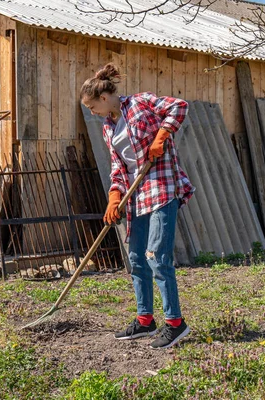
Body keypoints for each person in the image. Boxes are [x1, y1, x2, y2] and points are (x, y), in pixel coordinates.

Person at [80, 63, 195, 349]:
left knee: (157, 256)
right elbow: (119, 169)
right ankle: (145, 321)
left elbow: (179, 106)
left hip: (162, 186)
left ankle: (175, 324)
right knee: (137, 259)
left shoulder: (141, 102)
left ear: (104, 98)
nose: (93, 114)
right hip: (136, 195)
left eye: (93, 107)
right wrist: (114, 197)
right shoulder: (108, 128)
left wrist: (162, 135)